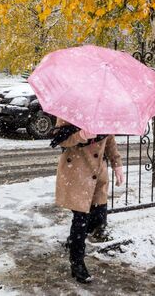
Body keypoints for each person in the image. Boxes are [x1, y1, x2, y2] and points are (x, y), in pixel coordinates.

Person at [50, 118, 124, 284]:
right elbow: (61, 138)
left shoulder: (103, 112)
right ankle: (77, 263)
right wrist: (81, 135)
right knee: (80, 220)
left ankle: (73, 240)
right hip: (77, 172)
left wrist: (117, 164)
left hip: (97, 175)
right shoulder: (70, 111)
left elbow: (110, 139)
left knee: (98, 218)